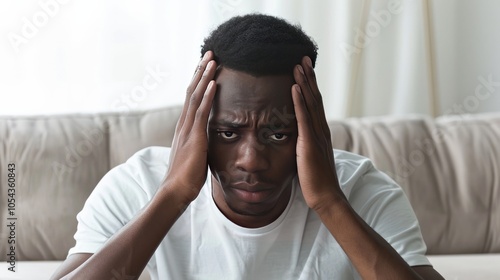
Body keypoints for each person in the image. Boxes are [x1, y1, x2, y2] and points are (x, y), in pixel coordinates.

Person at [51, 14, 444, 279]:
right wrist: (173, 195)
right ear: (197, 125)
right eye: (227, 133)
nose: (251, 161)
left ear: (312, 130)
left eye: (277, 133)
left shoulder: (367, 193)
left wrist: (329, 201)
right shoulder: (134, 186)